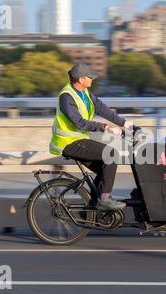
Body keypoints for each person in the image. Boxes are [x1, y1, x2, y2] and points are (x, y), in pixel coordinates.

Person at [50, 63, 133, 211]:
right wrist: (105, 127)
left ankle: (90, 212)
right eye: (90, 77)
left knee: (104, 168)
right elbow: (79, 122)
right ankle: (104, 199)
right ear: (81, 79)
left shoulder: (85, 93)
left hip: (79, 141)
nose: (92, 80)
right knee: (111, 154)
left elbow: (101, 108)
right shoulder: (67, 96)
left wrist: (124, 123)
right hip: (68, 143)